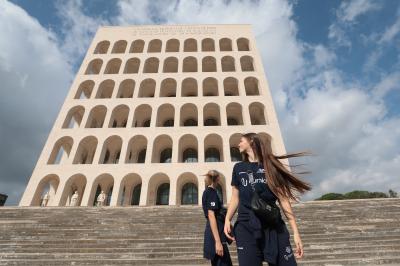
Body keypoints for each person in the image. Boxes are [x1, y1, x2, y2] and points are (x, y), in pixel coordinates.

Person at [224, 132, 312, 266]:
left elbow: (283, 199)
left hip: (273, 226)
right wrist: (227, 219)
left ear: (251, 141)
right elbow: (235, 197)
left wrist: (295, 232)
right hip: (246, 226)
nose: (238, 144)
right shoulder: (239, 168)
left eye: (241, 141)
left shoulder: (271, 166)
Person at [201, 170, 233, 266]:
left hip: (216, 234)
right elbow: (211, 216)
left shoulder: (209, 192)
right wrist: (218, 242)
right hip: (216, 235)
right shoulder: (211, 193)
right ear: (217, 179)